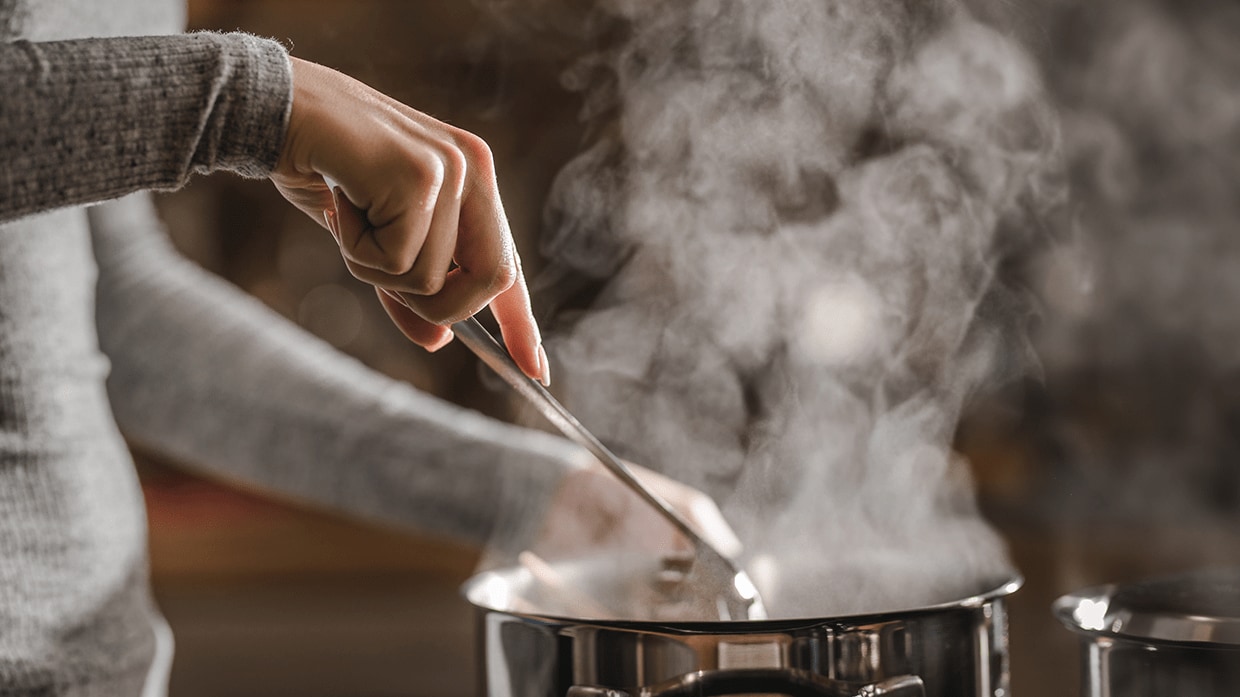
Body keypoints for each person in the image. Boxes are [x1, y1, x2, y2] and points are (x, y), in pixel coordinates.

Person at [0, 1, 740, 694]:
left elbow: (109, 308)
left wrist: (538, 492)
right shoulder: (239, 98)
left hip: (104, 667)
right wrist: (251, 104)